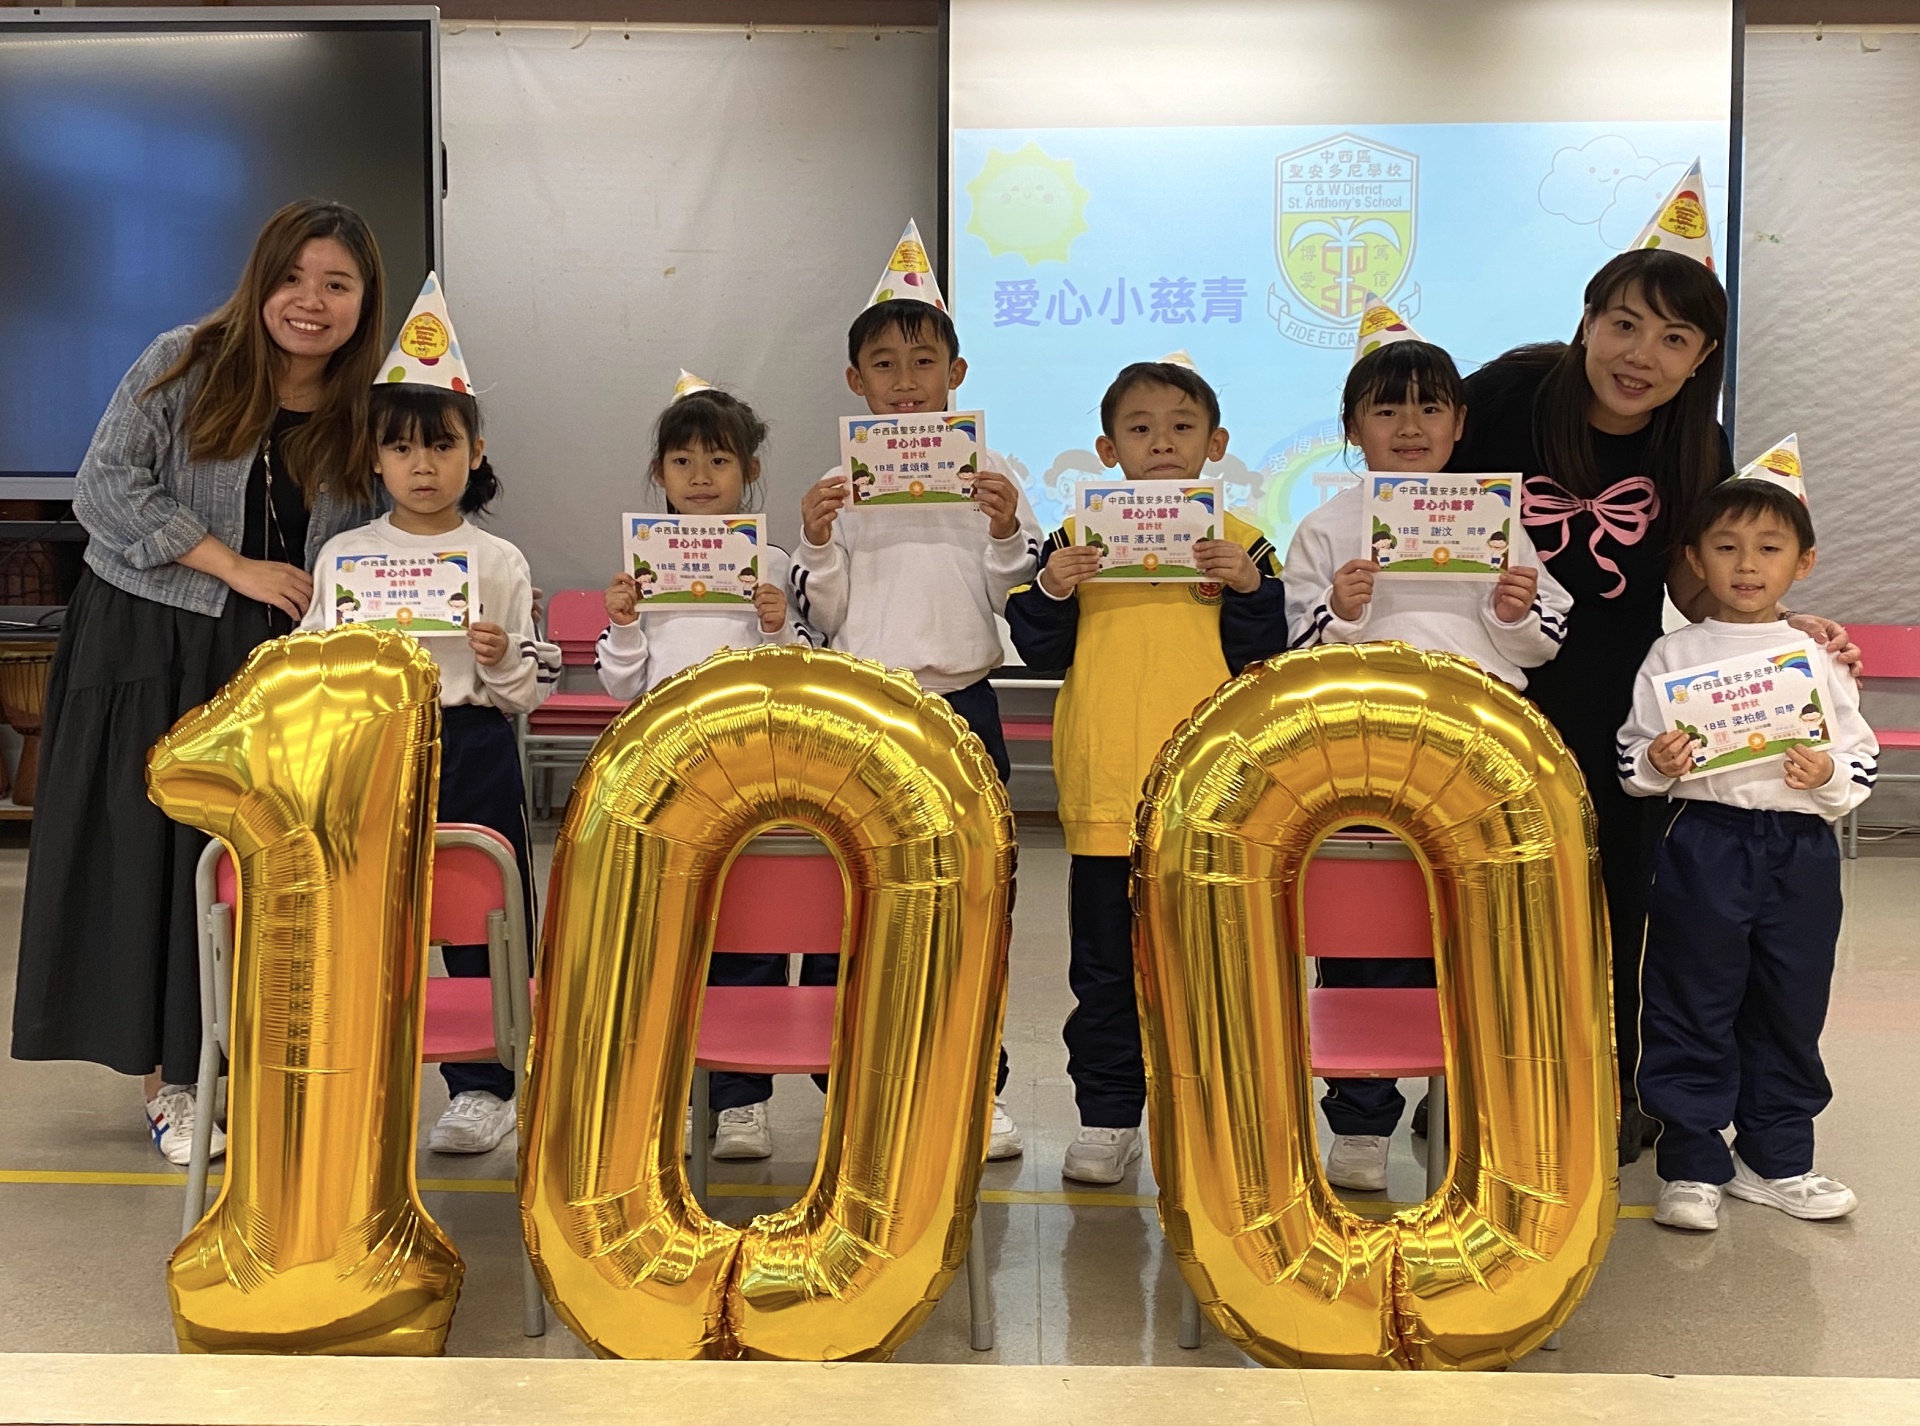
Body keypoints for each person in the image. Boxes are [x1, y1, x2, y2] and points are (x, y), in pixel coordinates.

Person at [1447, 230, 1855, 1162]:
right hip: (1486, 680)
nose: (1642, 355)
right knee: (1480, 887)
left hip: (1615, 695)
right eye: (1624, 325)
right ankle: (1473, 1088)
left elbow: (1694, 586)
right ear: (1588, 321)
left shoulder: (1696, 443)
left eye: (1675, 339)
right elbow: (1412, 492)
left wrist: (1787, 632)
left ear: (1702, 358)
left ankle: (1608, 1084)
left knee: (1615, 895)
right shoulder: (1505, 396)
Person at [12, 200, 388, 1164]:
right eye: (293, 278)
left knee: (265, 868)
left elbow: (391, 530)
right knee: (152, 859)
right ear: (261, 280)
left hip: (280, 663)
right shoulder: (183, 361)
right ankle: (172, 1088)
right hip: (148, 642)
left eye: (336, 285)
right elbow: (103, 489)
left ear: (364, 301)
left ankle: (249, 1067)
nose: (311, 301)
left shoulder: (373, 405)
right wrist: (233, 566)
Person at [1285, 302, 1571, 1192]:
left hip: (1481, 756)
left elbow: (1549, 634)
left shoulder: (1495, 518)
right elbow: (1295, 646)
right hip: (1366, 756)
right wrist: (1344, 611)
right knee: (1363, 930)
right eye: (1387, 409)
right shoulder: (1328, 526)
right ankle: (1360, 1116)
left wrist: (1514, 613)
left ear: (1460, 423)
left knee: (1481, 926)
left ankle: (1471, 1109)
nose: (1410, 426)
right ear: (1352, 428)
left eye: (1430, 408)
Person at [790, 220, 1041, 1160]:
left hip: (965, 705)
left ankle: (977, 1086)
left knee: (973, 899)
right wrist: (817, 540)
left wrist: (1008, 532)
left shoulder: (993, 473)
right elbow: (826, 612)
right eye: (885, 365)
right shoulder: (837, 481)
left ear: (956, 374)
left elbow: (1013, 594)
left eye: (923, 361)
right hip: (864, 711)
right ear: (855, 381)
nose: (906, 381)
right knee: (853, 896)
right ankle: (850, 1085)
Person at [1006, 353, 1288, 1184]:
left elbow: (1266, 658)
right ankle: (1108, 1116)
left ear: (1215, 444)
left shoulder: (1243, 542)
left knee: (1214, 965)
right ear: (1107, 449)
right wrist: (1052, 589)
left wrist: (1251, 591)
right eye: (1139, 428)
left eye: (1181, 427)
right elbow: (1038, 648)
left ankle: (1210, 1117)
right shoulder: (1076, 537)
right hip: (1105, 788)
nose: (1161, 442)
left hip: (1214, 797)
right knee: (1104, 970)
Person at [301, 273, 561, 1154]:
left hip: (472, 744)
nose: (423, 465)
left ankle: (487, 1085)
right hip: (371, 748)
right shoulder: (346, 556)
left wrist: (498, 657)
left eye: (442, 445)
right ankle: (364, 1072)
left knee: (482, 911)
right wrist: (334, 658)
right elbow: (307, 662)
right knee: (370, 912)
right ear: (374, 459)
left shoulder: (498, 560)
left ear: (476, 452)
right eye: (402, 448)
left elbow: (530, 688)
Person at [1615, 454, 1875, 1231]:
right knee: (1690, 998)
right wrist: (1659, 763)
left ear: (1803, 562)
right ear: (1695, 561)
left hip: (1799, 852)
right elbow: (1632, 757)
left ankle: (1776, 1157)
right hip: (1705, 843)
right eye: (1726, 547)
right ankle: (1692, 1162)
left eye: (1769, 548)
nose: (1748, 565)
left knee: (1790, 1001)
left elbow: (1859, 756)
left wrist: (1827, 773)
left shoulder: (1818, 653)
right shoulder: (1674, 654)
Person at [596, 370, 811, 1161]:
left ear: (748, 471)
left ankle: (743, 1102)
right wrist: (624, 625)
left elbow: (798, 673)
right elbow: (621, 685)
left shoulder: (773, 561)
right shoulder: (643, 565)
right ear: (660, 472)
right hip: (665, 774)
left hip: (752, 771)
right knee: (666, 936)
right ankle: (669, 1097)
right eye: (682, 461)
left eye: (719, 461)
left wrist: (777, 626)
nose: (700, 477)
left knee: (750, 930)